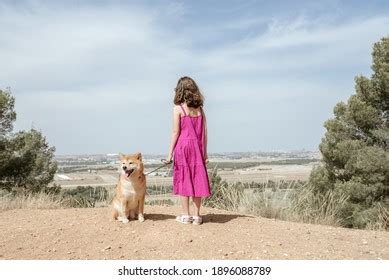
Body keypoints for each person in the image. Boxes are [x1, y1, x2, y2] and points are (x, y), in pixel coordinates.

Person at [166, 76, 211, 225]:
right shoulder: (200, 110)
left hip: (183, 147)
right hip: (197, 148)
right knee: (197, 178)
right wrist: (204, 153)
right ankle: (197, 216)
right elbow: (204, 133)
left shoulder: (178, 109)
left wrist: (169, 154)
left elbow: (175, 132)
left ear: (180, 91)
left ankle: (186, 215)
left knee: (184, 178)